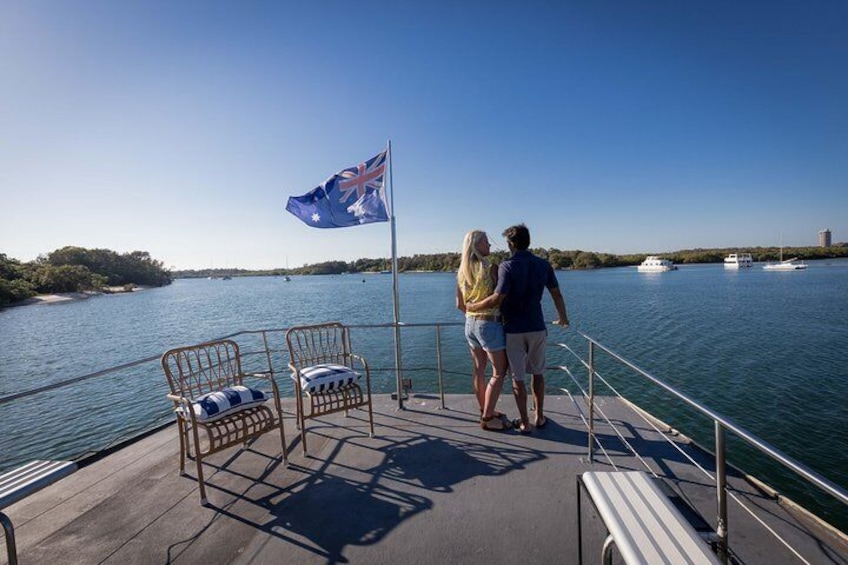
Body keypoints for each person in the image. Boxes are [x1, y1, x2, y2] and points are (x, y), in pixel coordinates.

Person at [467, 224, 569, 433]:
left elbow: (498, 297)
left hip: (513, 329)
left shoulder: (507, 266)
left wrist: (472, 307)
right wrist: (562, 318)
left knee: (517, 378)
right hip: (537, 327)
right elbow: (556, 294)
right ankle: (539, 417)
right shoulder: (543, 265)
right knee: (538, 373)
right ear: (528, 241)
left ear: (511, 244)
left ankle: (524, 422)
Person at [456, 230, 511, 431]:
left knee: (479, 370)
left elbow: (459, 305)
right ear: (476, 245)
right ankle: (488, 418)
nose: (490, 246)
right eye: (487, 242)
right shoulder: (490, 268)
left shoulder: (462, 271)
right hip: (489, 323)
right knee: (499, 371)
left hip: (470, 324)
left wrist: (472, 313)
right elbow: (500, 297)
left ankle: (485, 409)